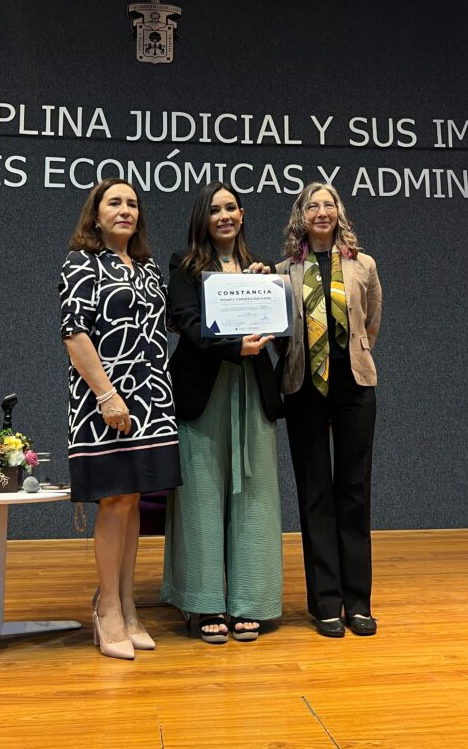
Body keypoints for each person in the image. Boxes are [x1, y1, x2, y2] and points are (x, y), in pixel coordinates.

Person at [59, 178, 182, 660]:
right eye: (115, 202)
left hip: (152, 402)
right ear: (96, 214)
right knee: (114, 501)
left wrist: (244, 282)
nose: (125, 210)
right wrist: (108, 396)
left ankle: (128, 606)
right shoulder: (81, 262)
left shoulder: (148, 268)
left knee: (133, 502)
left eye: (132, 203)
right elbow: (74, 334)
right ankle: (107, 608)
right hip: (104, 402)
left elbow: (177, 319)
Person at [161, 181, 283, 643]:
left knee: (255, 494)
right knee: (201, 496)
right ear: (203, 218)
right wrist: (236, 347)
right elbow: (187, 323)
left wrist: (268, 290)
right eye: (215, 210)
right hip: (204, 392)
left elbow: (278, 327)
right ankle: (205, 602)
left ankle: (251, 600)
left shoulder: (260, 269)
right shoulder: (184, 264)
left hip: (252, 389)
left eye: (231, 207)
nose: (224, 216)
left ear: (243, 214)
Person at [277, 183, 382, 638]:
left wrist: (351, 354)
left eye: (329, 204)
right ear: (301, 216)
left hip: (354, 384)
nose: (322, 211)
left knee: (354, 491)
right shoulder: (282, 272)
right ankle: (325, 603)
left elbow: (371, 321)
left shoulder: (363, 265)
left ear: (339, 212)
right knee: (315, 492)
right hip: (304, 387)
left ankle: (357, 603)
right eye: (313, 205)